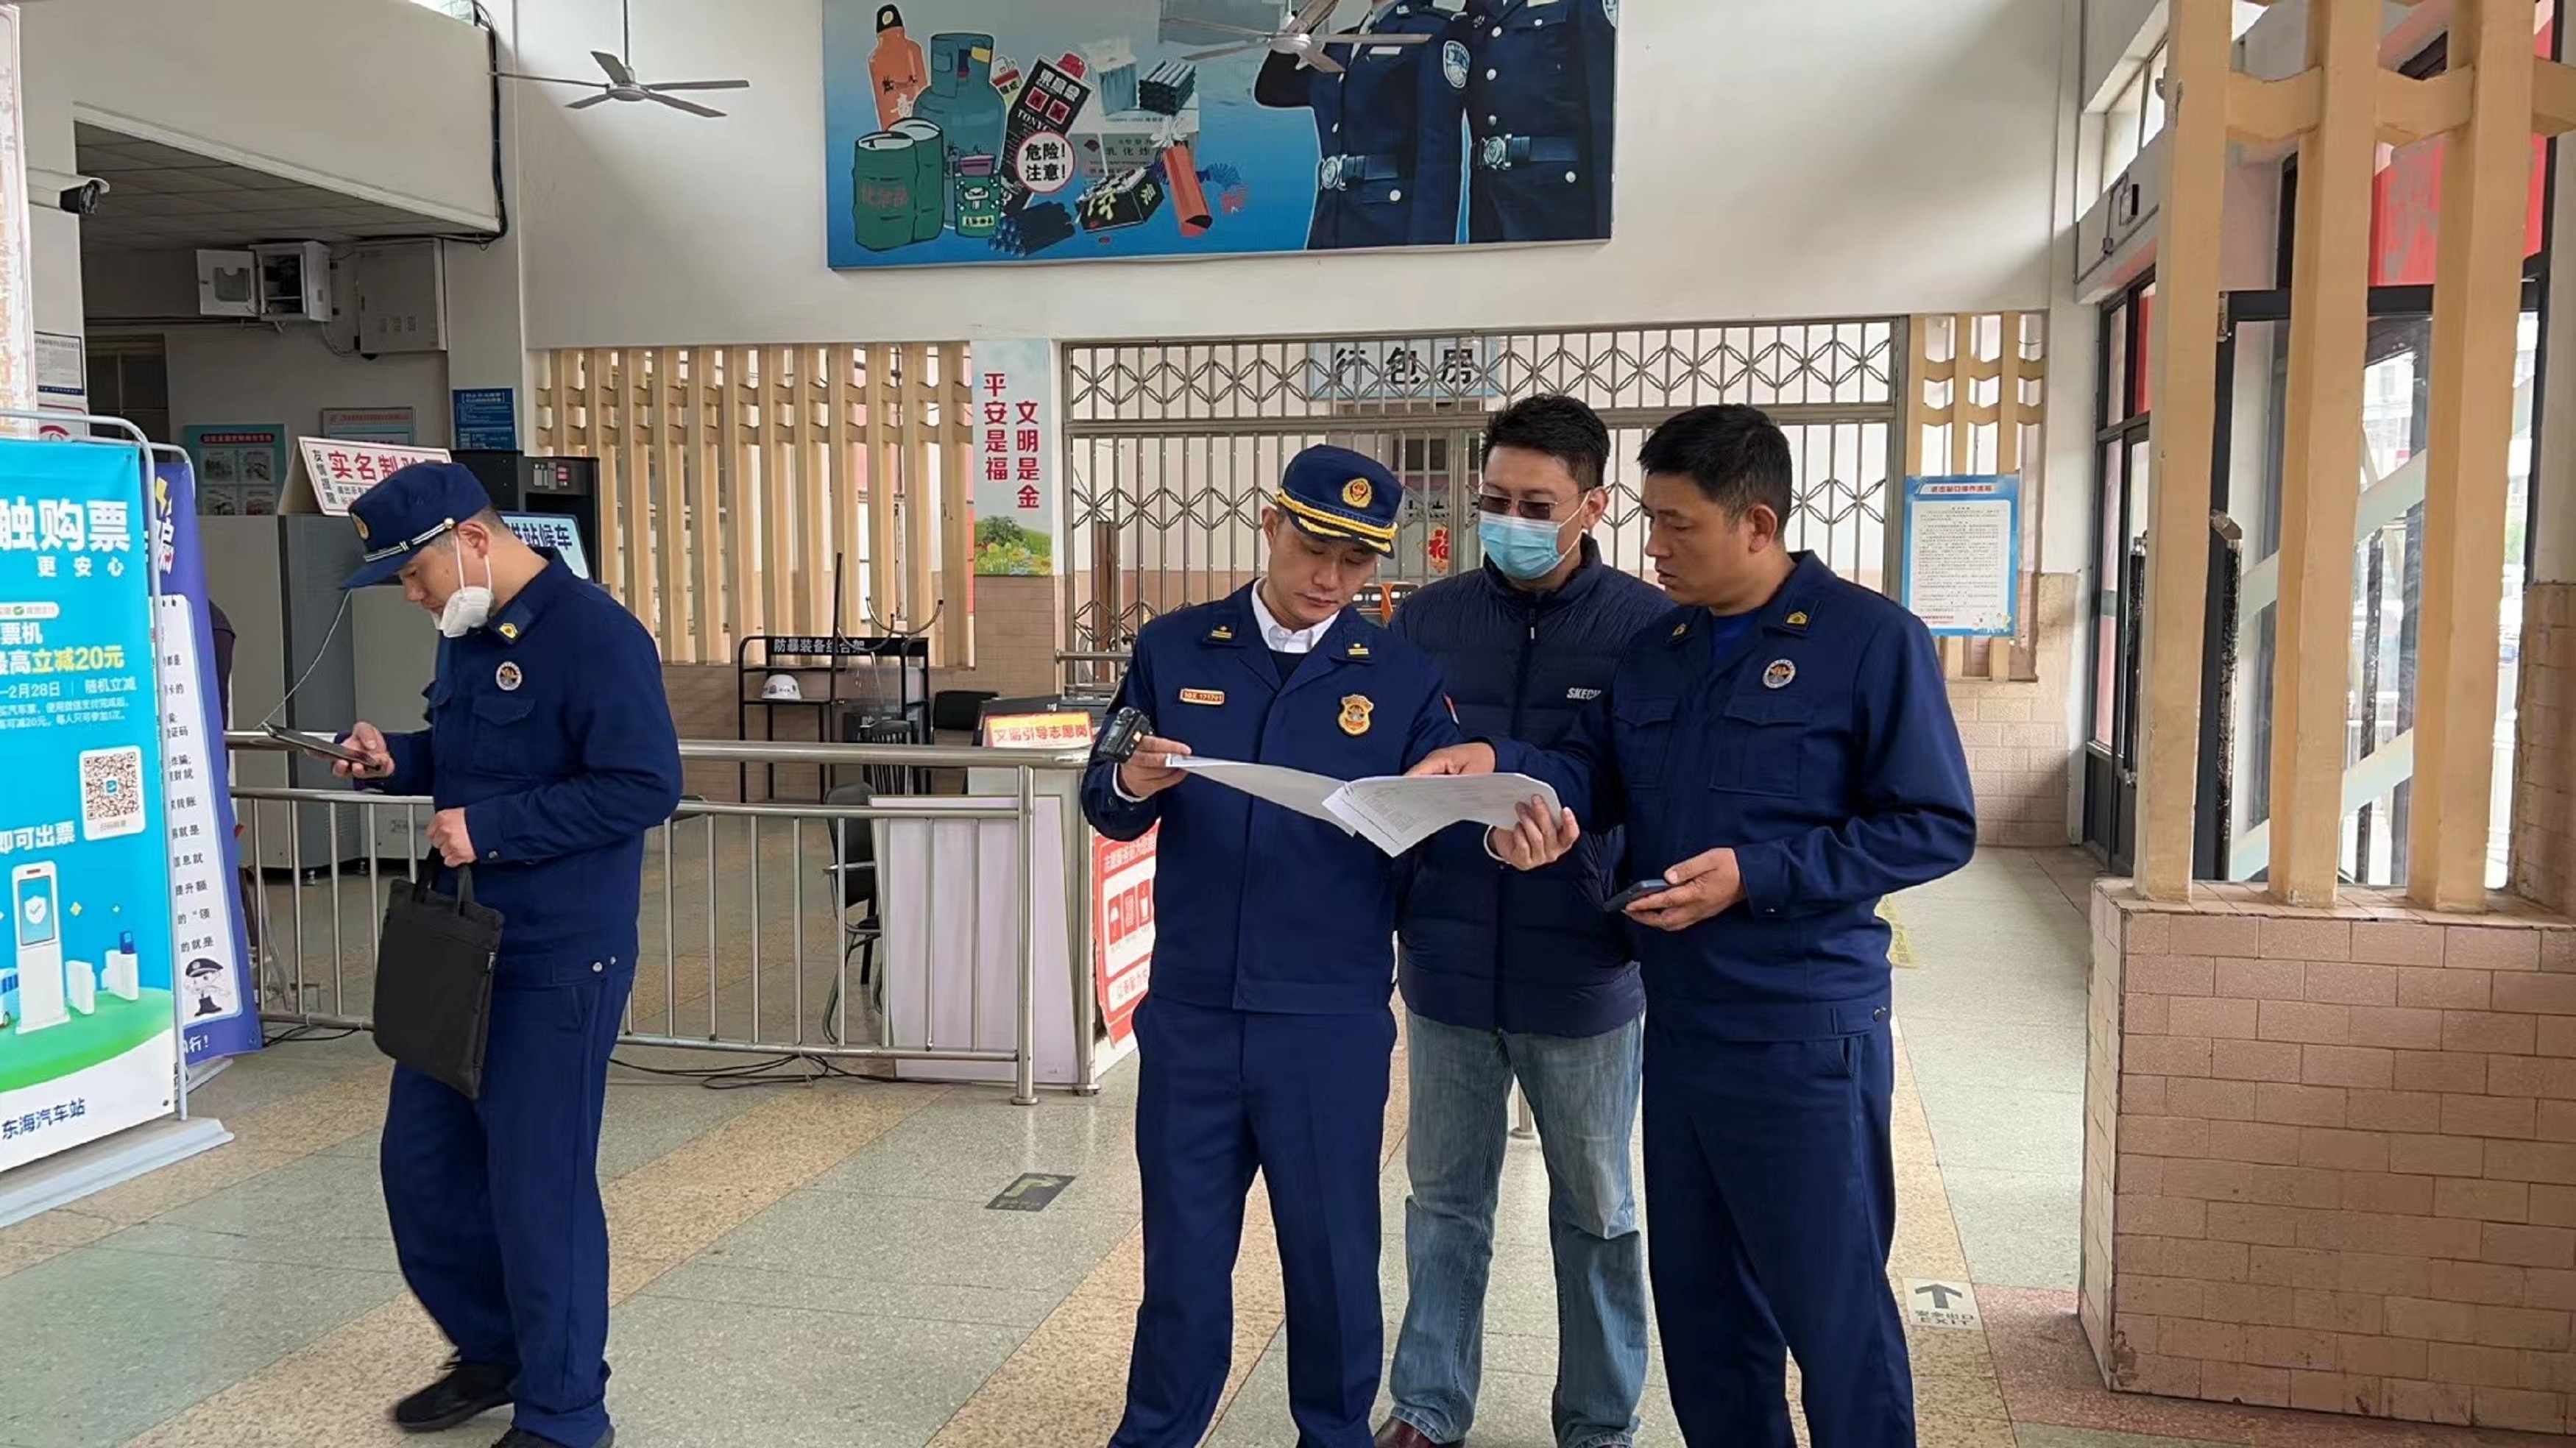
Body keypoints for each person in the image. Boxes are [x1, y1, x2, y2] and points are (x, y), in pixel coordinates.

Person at [1413, 405, 1976, 1448]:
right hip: (1678, 1028)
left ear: (1756, 524)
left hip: (1802, 1034)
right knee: (1707, 1318)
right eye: (1650, 520)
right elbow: (1591, 769)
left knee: (1831, 1311)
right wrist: (1502, 772)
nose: (1655, 547)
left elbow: (1933, 826)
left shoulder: (1867, 641)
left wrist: (1755, 875)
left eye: (1677, 525)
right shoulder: (1661, 649)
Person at [1083, 444, 1463, 1448]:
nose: (1331, 579)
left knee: (1332, 1259)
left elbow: (1436, 837)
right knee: (1182, 1258)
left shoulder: (1401, 676)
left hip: (1326, 1020)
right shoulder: (1175, 649)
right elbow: (1104, 795)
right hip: (1194, 1013)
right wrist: (1129, 783)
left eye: (1356, 561)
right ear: (1270, 523)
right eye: (1313, 549)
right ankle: (1157, 1433)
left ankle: (1332, 1434)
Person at [332, 463, 682, 1448]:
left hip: (557, 958)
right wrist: (397, 759)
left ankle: (566, 1412)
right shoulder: (468, 633)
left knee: (538, 1191)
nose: (411, 595)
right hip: (460, 950)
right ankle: (494, 1351)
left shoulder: (596, 636)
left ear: (474, 541)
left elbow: (644, 785)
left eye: (415, 574)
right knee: (424, 1170)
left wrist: (490, 829)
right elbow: (470, 755)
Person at [1378, 396, 1667, 1448]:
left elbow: (1644, 783)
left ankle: (1599, 1419)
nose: (1510, 521)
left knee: (1597, 1211)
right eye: (1494, 499)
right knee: (1443, 1203)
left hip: (1583, 969)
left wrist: (1572, 839)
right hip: (1448, 959)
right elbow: (1392, 767)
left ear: (1594, 505)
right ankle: (1427, 1405)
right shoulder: (1426, 622)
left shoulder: (1646, 629)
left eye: (1536, 505)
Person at [1256, 0, 1468, 249]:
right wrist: (1306, 21)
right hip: (1331, 221)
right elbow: (1273, 91)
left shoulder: (1432, 31)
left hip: (1390, 225)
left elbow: (1439, 155)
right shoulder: (1342, 43)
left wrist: (1427, 252)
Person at [1459, 0, 1616, 243]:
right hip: (1490, 203)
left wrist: (1608, 223)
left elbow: (1603, 114)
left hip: (1558, 202)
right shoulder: (1478, 7)